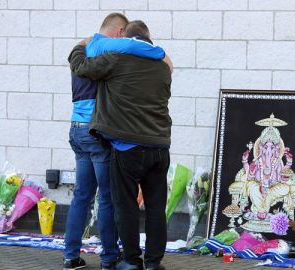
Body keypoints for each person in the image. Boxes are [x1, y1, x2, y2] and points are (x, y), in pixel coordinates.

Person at [64, 14, 168, 270]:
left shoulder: (110, 58)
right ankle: (138, 262)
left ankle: (112, 259)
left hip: (106, 139)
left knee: (93, 198)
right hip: (155, 144)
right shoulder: (161, 65)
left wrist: (78, 46)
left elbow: (81, 67)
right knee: (148, 207)